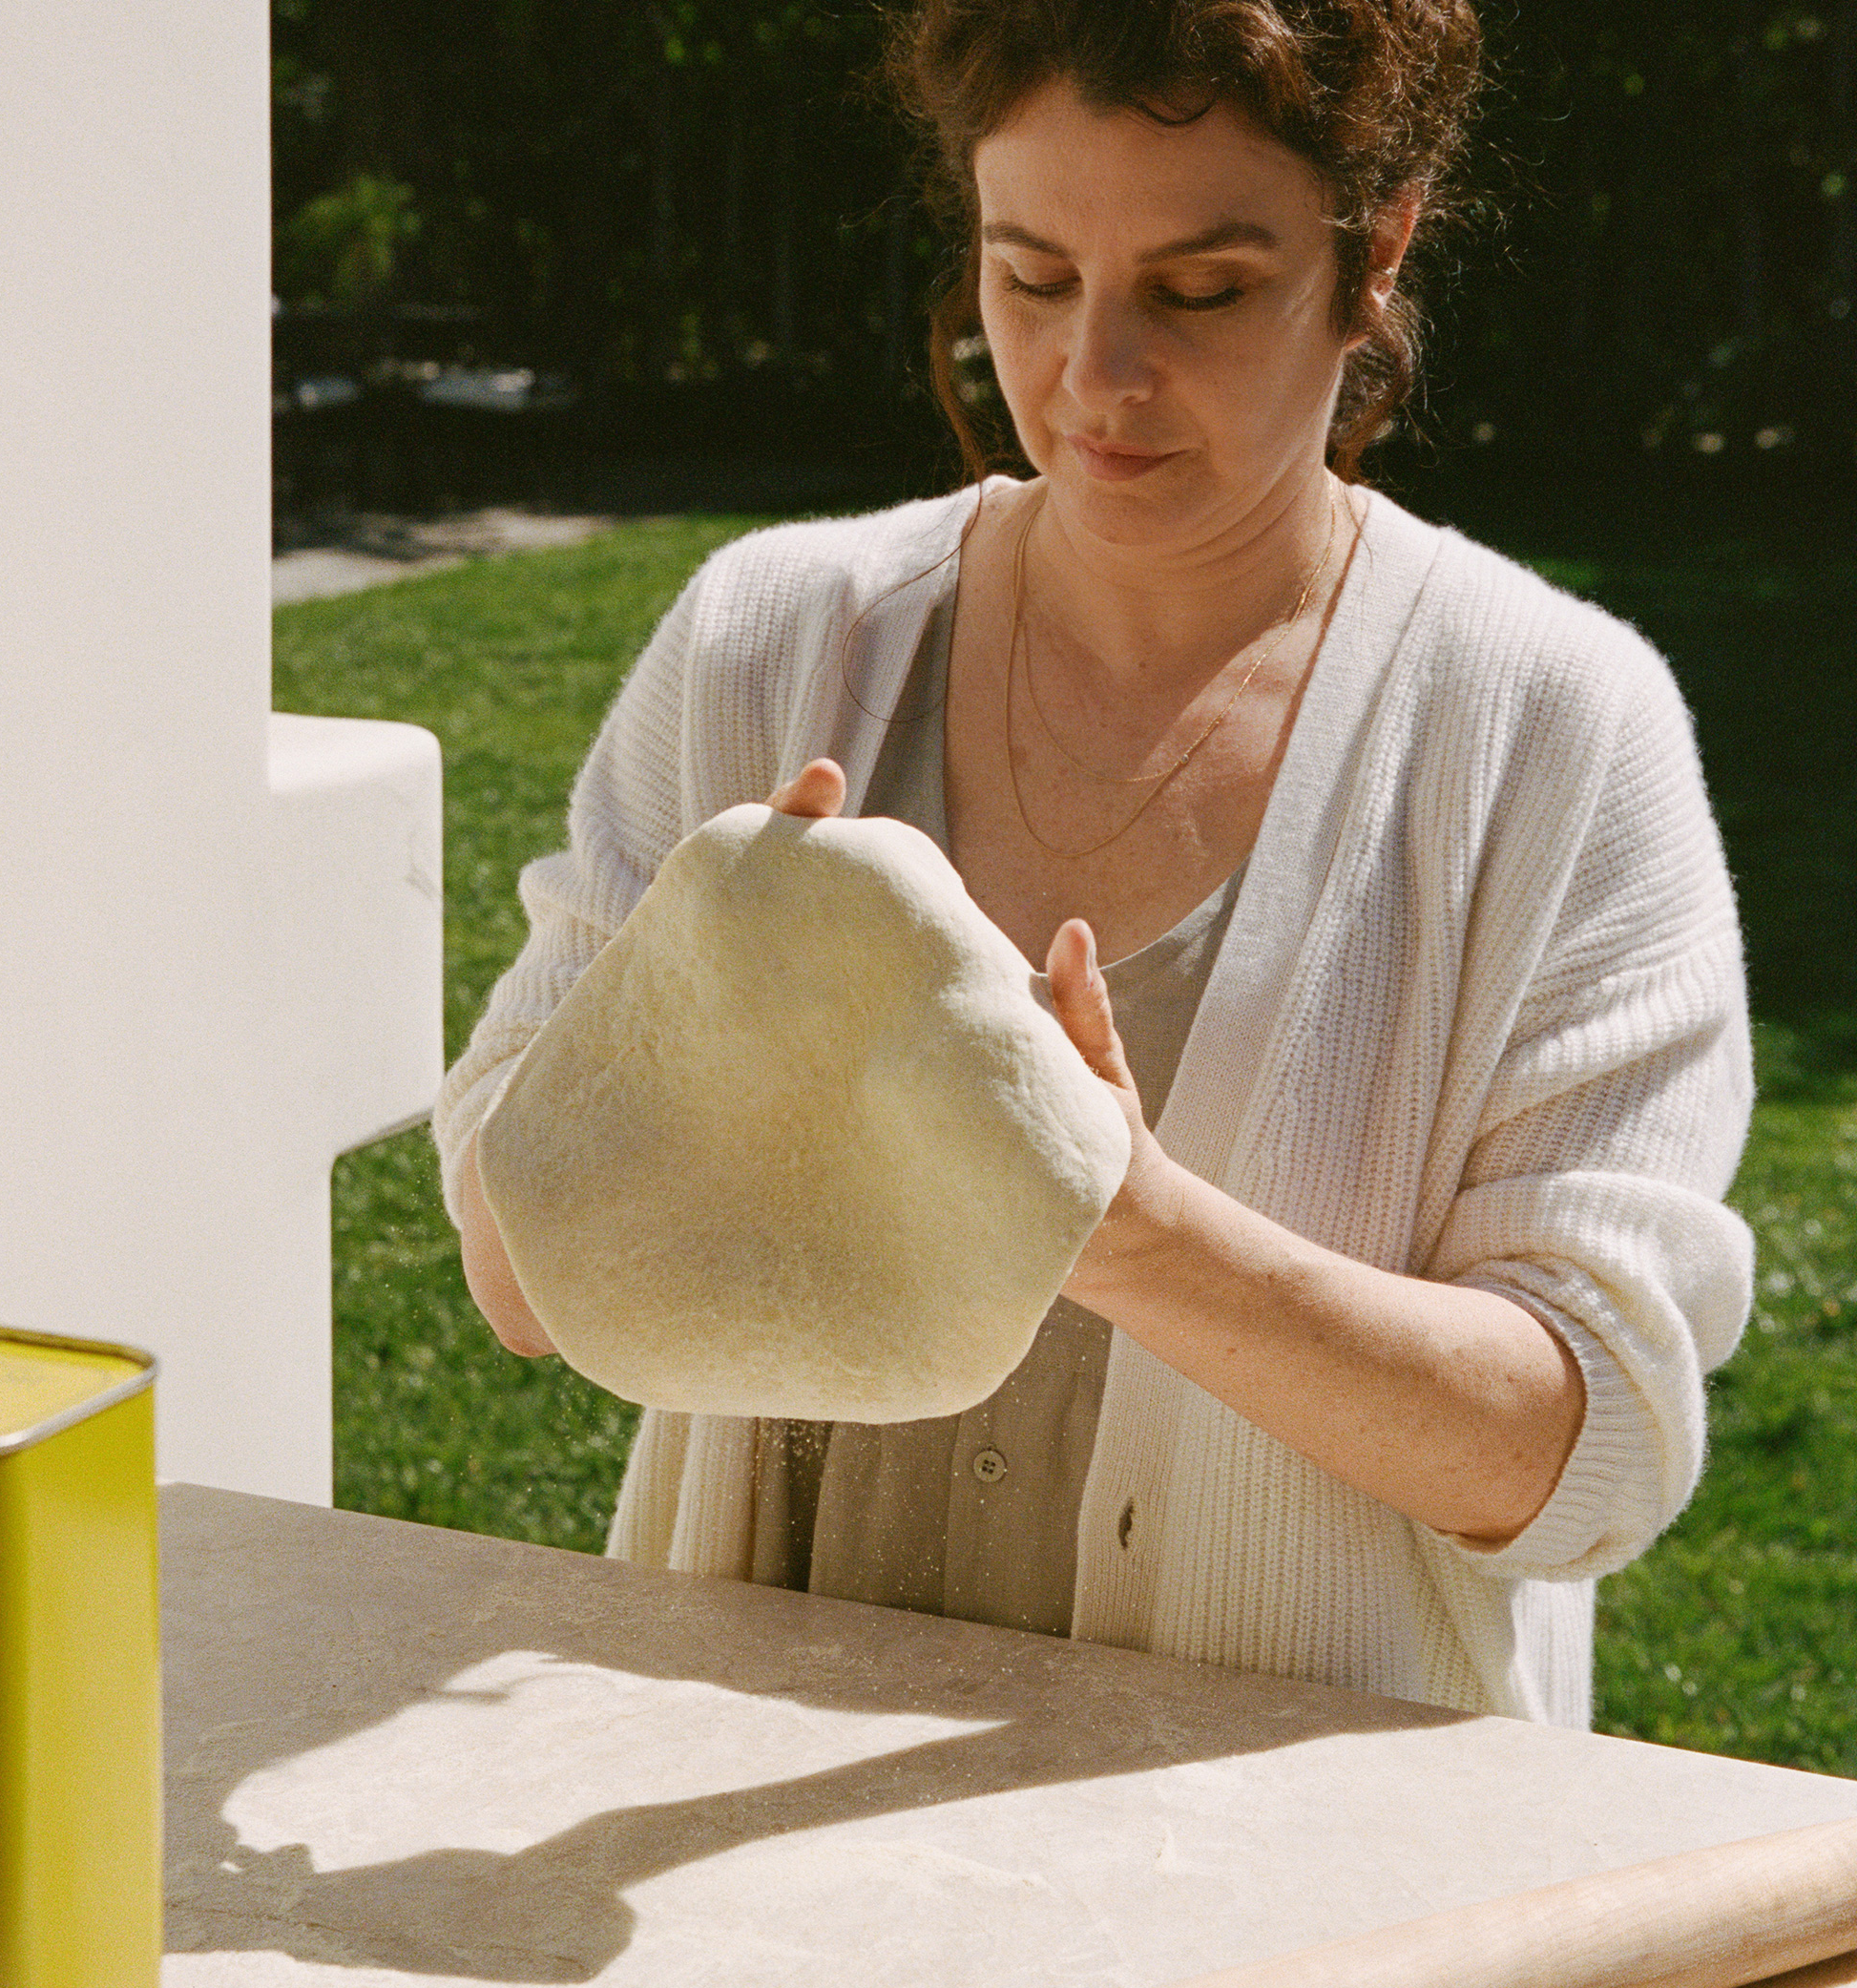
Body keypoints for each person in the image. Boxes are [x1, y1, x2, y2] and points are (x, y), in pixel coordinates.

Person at [435, 0, 1753, 1727]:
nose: (1092, 377)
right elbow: (514, 1276)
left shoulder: (1552, 735)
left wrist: (1131, 1230)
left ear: (1377, 253)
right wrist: (686, 1036)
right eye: (1032, 276)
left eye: (1201, 290)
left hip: (1292, 1850)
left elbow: (1590, 1451)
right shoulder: (774, 641)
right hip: (721, 1813)